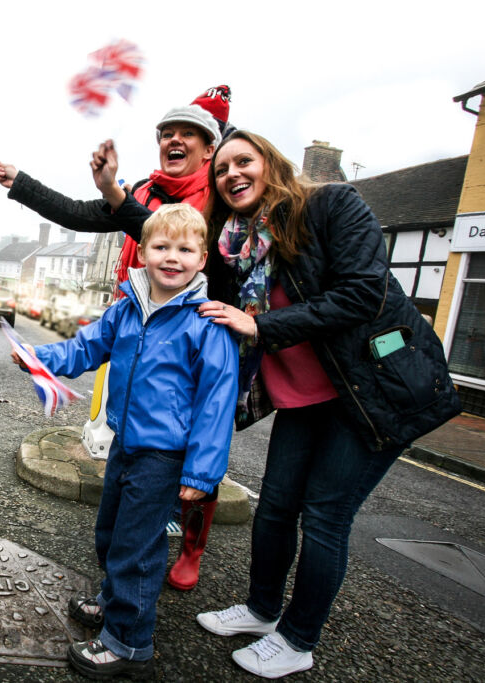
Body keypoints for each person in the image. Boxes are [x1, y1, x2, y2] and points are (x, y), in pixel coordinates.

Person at [189, 131, 461, 678]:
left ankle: (298, 638)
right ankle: (263, 611)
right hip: (303, 399)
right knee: (274, 508)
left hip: (370, 392)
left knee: (325, 516)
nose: (231, 174)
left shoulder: (333, 206)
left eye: (244, 160)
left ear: (271, 162)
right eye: (221, 170)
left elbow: (363, 291)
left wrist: (260, 324)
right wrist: (116, 200)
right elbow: (170, 243)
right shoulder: (233, 245)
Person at [0, 86, 233, 593]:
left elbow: (215, 404)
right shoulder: (144, 190)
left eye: (186, 134)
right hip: (137, 319)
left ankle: (185, 550)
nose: (174, 140)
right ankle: (120, 585)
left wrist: (119, 200)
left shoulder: (218, 198)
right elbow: (82, 215)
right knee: (120, 518)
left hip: (196, 328)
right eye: (166, 133)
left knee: (189, 450)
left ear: (209, 146)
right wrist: (22, 183)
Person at [12, 203, 237, 679]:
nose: (171, 257)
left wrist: (201, 473)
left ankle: (129, 642)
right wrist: (41, 357)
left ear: (201, 260)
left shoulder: (206, 322)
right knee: (111, 533)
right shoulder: (126, 309)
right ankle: (114, 602)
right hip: (125, 443)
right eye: (161, 246)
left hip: (165, 455)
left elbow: (217, 403)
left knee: (137, 548)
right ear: (145, 252)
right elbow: (86, 346)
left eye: (184, 249)